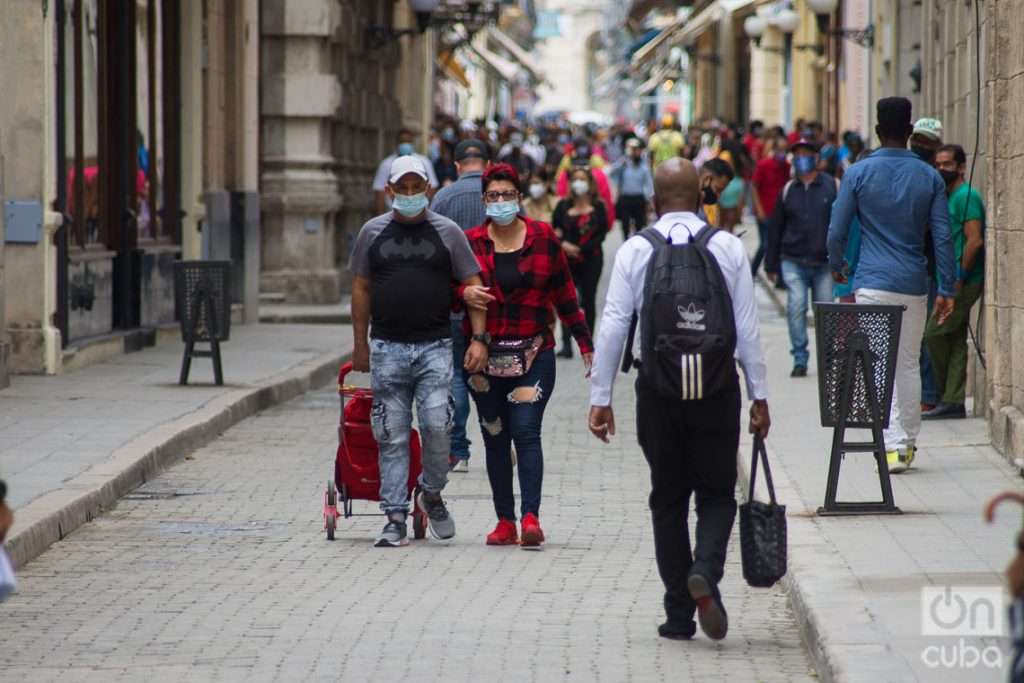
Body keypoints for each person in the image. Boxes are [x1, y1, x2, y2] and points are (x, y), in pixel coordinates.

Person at [588, 157, 770, 642]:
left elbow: (612, 325)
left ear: (654, 198)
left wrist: (600, 396)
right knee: (716, 494)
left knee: (667, 498)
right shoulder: (728, 247)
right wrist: (760, 395)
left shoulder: (635, 250)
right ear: (701, 192)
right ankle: (705, 572)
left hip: (658, 388)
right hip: (716, 388)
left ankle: (677, 614)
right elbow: (747, 329)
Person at [349, 155, 488, 547]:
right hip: (387, 347)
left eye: (416, 187)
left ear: (428, 189)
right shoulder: (372, 233)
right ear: (390, 190)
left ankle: (431, 491)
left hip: (435, 347)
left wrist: (479, 339)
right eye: (402, 188)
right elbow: (360, 287)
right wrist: (360, 344)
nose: (409, 194)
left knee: (437, 425)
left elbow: (473, 284)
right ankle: (394, 516)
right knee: (391, 434)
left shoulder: (448, 233)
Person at [460, 163, 594, 548]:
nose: (500, 202)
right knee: (495, 436)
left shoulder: (542, 237)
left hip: (534, 353)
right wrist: (462, 294)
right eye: (492, 196)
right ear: (484, 200)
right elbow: (450, 290)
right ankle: (505, 521)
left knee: (525, 430)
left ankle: (530, 517)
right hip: (483, 358)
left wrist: (585, 342)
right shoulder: (470, 243)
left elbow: (565, 293)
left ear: (519, 198)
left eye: (507, 194)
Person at [827, 97, 956, 474]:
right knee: (908, 362)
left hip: (871, 280)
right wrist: (946, 287)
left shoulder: (858, 173)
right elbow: (943, 237)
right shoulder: (929, 176)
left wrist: (838, 267)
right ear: (910, 130)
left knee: (878, 361)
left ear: (879, 131)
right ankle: (905, 443)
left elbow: (836, 230)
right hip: (914, 281)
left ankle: (888, 443)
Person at [430, 138, 492, 473]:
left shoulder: (442, 198)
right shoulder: (500, 194)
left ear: (456, 165)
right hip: (494, 299)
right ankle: (501, 438)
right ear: (486, 162)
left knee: (456, 372)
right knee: (494, 373)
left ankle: (458, 449)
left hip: (455, 300)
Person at [764, 139, 838, 378]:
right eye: (797, 155)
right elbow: (775, 228)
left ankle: (828, 359)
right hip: (793, 259)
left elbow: (842, 224)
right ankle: (799, 358)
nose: (802, 158)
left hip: (824, 262)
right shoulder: (788, 190)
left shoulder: (833, 186)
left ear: (817, 159)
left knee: (825, 312)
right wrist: (771, 263)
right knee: (796, 307)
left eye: (807, 154)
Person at [923, 144, 986, 420]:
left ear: (961, 167)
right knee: (956, 337)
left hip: (963, 280)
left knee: (933, 334)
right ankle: (953, 400)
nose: (941, 170)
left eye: (947, 164)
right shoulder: (948, 196)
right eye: (937, 164)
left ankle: (945, 395)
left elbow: (974, 240)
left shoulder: (966, 196)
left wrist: (958, 277)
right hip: (949, 279)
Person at [551, 165, 609, 358]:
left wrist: (580, 249)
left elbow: (601, 233)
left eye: (582, 179)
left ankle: (588, 342)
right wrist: (564, 245)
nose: (579, 183)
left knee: (589, 299)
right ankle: (566, 343)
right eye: (575, 178)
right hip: (566, 259)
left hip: (591, 259)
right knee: (567, 300)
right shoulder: (563, 206)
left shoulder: (599, 205)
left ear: (590, 183)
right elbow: (555, 230)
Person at [372, 128, 440, 215]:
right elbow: (379, 192)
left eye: (408, 141)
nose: (409, 194)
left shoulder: (424, 162)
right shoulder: (386, 164)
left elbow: (433, 189)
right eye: (402, 141)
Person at [750, 136, 791, 276]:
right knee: (765, 245)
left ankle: (778, 277)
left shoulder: (786, 166)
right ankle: (752, 271)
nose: (783, 153)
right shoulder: (764, 165)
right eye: (780, 150)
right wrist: (759, 209)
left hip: (779, 213)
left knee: (779, 244)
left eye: (785, 150)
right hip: (765, 211)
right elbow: (754, 187)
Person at [609, 138, 654, 240]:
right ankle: (626, 242)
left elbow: (649, 184)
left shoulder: (644, 166)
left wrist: (649, 200)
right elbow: (611, 173)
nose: (635, 152)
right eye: (632, 149)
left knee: (639, 224)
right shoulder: (623, 165)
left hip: (639, 199)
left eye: (637, 149)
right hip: (625, 198)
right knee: (625, 224)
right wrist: (621, 163)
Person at [696, 158, 733, 228]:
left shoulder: (700, 206)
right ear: (707, 179)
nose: (718, 196)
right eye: (718, 189)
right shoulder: (688, 207)